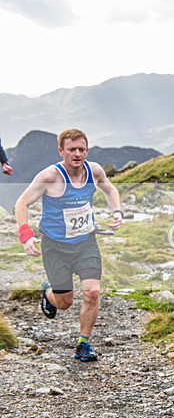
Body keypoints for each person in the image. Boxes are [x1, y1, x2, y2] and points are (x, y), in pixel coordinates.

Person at [15, 129, 123, 362]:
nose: (77, 154)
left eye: (81, 149)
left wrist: (117, 210)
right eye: (71, 149)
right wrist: (26, 234)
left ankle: (83, 344)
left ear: (87, 150)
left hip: (86, 243)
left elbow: (110, 188)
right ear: (61, 151)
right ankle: (48, 292)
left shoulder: (94, 171)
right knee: (65, 303)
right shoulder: (50, 176)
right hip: (55, 247)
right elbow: (22, 202)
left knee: (92, 292)